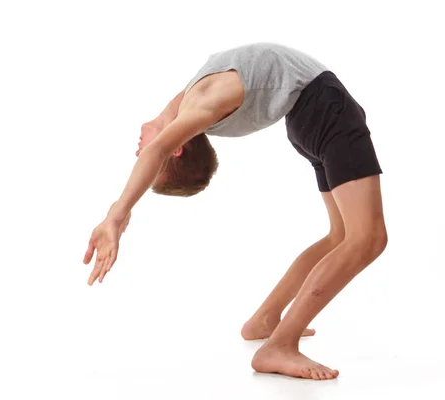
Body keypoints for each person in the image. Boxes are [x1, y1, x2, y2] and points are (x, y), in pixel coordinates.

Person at [83, 42, 388, 380]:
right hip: (323, 109)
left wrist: (118, 213)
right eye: (150, 162)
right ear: (179, 148)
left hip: (309, 116)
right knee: (367, 239)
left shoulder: (188, 105)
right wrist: (116, 215)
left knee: (342, 237)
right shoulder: (200, 104)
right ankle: (279, 345)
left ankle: (266, 320)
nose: (140, 153)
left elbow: (158, 149)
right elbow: (158, 148)